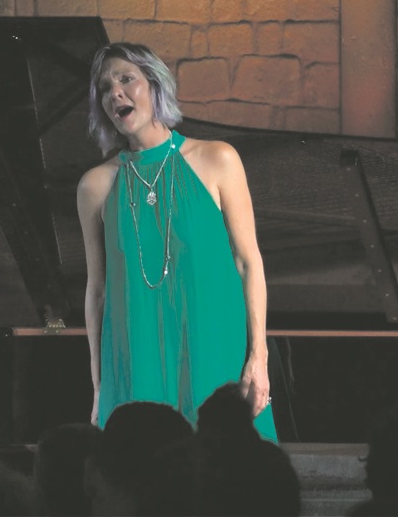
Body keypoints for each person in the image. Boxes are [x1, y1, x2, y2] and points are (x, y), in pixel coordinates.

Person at [77, 42, 277, 441]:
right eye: (104, 88)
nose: (115, 93)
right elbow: (96, 290)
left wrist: (259, 356)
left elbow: (248, 263)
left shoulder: (218, 159)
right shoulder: (95, 186)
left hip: (212, 346)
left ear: (154, 84)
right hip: (135, 356)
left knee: (224, 464)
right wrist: (99, 386)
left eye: (126, 79)